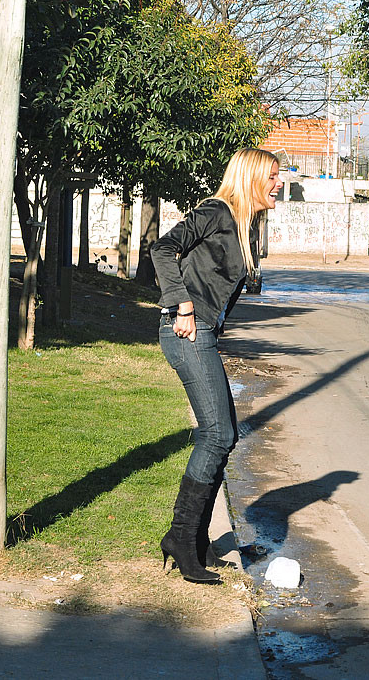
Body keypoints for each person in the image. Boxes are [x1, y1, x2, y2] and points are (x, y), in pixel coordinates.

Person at [151, 148, 283, 584]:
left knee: (223, 436)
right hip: (184, 329)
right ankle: (182, 539)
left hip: (202, 333)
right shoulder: (215, 211)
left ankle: (195, 543)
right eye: (273, 177)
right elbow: (162, 248)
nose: (279, 184)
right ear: (251, 179)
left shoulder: (244, 225)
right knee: (218, 434)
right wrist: (182, 305)